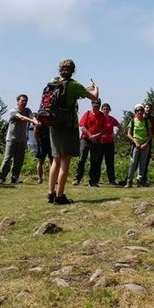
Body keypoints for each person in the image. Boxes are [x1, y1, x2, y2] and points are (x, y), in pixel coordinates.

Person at [47, 59, 99, 204]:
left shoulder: (53, 82)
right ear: (73, 70)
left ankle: (51, 193)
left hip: (53, 124)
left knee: (55, 160)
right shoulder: (74, 85)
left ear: (59, 69)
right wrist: (96, 88)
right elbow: (94, 97)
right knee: (65, 161)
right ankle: (60, 196)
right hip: (68, 125)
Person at [0, 94, 36, 184]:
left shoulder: (27, 110)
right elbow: (22, 118)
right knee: (7, 158)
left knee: (19, 160)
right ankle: (1, 178)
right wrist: (33, 121)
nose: (24, 102)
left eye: (26, 101)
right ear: (17, 101)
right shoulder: (13, 111)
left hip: (22, 139)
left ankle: (14, 178)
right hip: (11, 139)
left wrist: (35, 120)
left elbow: (32, 116)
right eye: (22, 101)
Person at [73, 100, 106, 187]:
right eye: (94, 106)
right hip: (85, 139)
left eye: (97, 106)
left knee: (94, 161)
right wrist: (90, 136)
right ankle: (77, 178)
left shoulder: (102, 116)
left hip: (96, 141)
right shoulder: (87, 113)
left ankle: (93, 181)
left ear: (99, 106)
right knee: (82, 159)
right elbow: (82, 127)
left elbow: (104, 129)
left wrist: (96, 136)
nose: (95, 108)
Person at [123, 104, 153, 187]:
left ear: (143, 112)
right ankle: (129, 181)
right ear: (135, 112)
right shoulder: (132, 121)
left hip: (145, 145)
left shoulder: (147, 121)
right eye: (137, 110)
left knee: (142, 163)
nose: (139, 112)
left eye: (141, 110)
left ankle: (139, 181)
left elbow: (150, 134)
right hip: (135, 145)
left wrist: (146, 144)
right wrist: (135, 142)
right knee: (133, 163)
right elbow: (128, 134)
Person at [100, 103, 121, 185]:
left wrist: (115, 135)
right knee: (97, 162)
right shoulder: (99, 118)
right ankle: (95, 180)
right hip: (100, 143)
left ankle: (112, 180)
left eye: (107, 109)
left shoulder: (112, 119)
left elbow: (120, 127)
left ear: (109, 110)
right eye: (104, 109)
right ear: (101, 110)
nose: (105, 110)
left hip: (109, 143)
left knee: (110, 163)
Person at [141, 102, 154, 185]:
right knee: (134, 161)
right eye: (147, 107)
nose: (148, 109)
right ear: (144, 108)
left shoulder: (152, 119)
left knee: (145, 161)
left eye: (150, 108)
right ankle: (128, 179)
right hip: (137, 141)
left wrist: (149, 138)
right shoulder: (139, 116)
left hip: (148, 141)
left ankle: (143, 180)